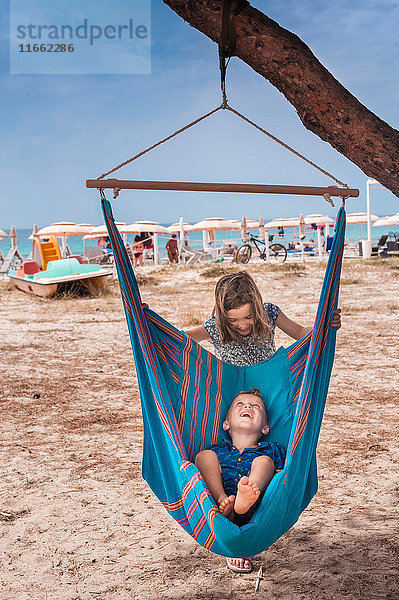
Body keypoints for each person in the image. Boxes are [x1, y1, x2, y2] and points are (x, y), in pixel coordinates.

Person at [195, 388, 285, 573]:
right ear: (226, 424)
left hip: (258, 506)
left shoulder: (271, 450)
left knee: (264, 462)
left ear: (265, 428)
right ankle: (223, 501)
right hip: (219, 505)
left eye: (256, 406)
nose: (248, 406)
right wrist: (221, 499)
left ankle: (246, 498)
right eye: (241, 404)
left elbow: (287, 475)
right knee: (204, 456)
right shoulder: (217, 450)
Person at [186, 271, 341, 367]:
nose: (242, 325)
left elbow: (300, 332)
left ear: (258, 308)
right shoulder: (216, 327)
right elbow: (180, 338)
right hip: (234, 392)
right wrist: (161, 333)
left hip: (268, 383)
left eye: (248, 317)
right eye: (233, 320)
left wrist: (325, 325)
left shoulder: (269, 313)